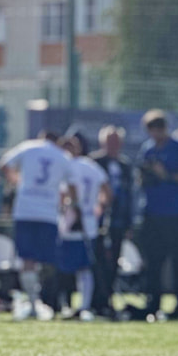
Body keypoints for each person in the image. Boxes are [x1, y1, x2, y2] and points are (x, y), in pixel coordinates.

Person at [0, 131, 78, 321]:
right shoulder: (62, 156)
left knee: (27, 259)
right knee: (48, 260)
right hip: (48, 214)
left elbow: (3, 164)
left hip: (25, 211)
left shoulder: (28, 147)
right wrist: (70, 205)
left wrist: (16, 181)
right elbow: (72, 186)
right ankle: (45, 300)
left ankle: (33, 302)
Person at [136, 109, 178, 320]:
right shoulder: (147, 150)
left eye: (159, 129)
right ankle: (153, 303)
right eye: (152, 130)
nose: (156, 134)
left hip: (176, 213)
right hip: (153, 213)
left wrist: (167, 176)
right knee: (153, 261)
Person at [57, 132, 111, 320]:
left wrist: (68, 209)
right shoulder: (92, 167)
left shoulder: (68, 167)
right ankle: (82, 305)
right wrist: (98, 209)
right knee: (84, 267)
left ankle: (73, 305)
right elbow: (107, 192)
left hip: (72, 223)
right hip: (88, 223)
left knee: (70, 267)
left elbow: (65, 195)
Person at [90, 125, 133, 315]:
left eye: (116, 141)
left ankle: (107, 299)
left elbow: (130, 196)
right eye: (109, 141)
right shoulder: (93, 162)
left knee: (113, 262)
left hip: (117, 222)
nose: (113, 145)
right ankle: (94, 300)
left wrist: (128, 223)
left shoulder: (125, 166)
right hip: (95, 222)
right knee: (96, 262)